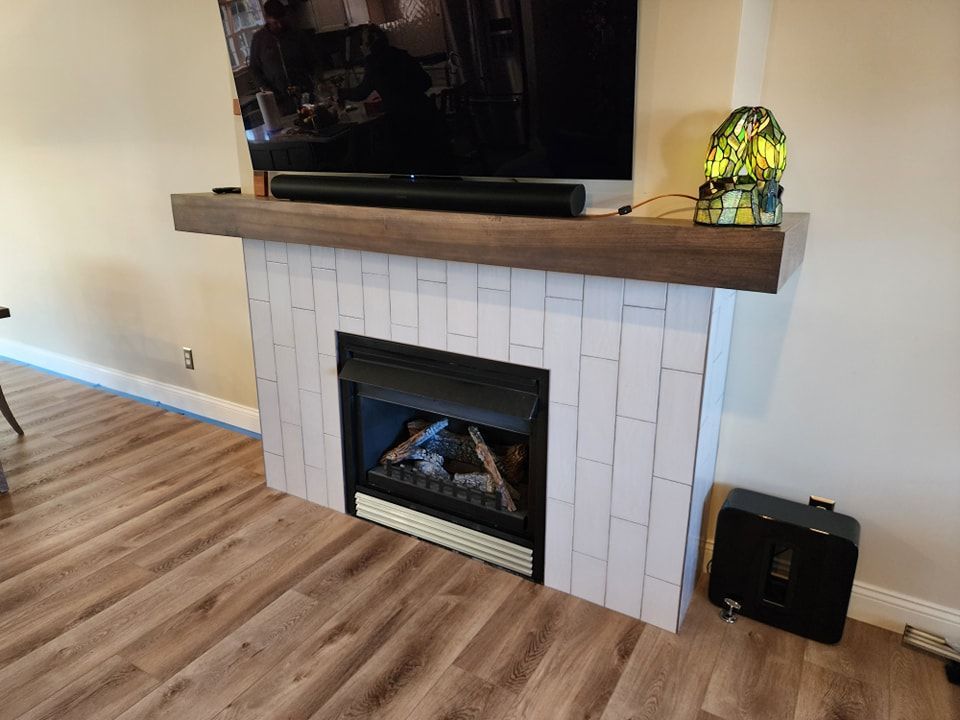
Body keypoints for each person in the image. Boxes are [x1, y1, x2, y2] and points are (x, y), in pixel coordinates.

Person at [340, 25, 453, 174]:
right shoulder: (401, 54)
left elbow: (361, 93)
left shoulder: (374, 62)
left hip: (402, 122)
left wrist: (341, 92)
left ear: (366, 45)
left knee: (379, 149)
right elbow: (426, 81)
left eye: (362, 44)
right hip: (427, 114)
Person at [248, 1, 317, 114]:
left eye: (282, 21)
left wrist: (315, 81)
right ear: (267, 18)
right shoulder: (259, 39)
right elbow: (254, 68)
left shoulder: (297, 35)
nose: (279, 25)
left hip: (304, 94)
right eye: (275, 22)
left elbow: (313, 61)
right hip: (278, 100)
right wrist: (265, 89)